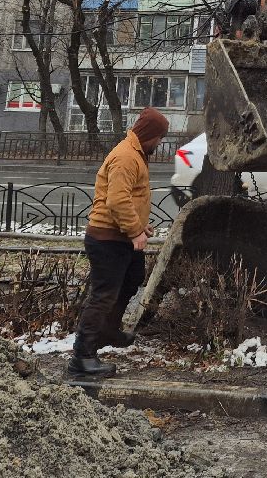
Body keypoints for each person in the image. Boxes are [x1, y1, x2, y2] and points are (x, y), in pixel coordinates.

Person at [68, 106, 169, 377]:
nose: (159, 144)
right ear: (150, 134)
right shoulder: (126, 156)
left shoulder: (136, 153)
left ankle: (108, 330)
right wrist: (135, 231)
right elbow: (116, 200)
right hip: (107, 238)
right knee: (103, 295)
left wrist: (138, 226)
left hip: (120, 235)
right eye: (159, 138)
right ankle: (82, 355)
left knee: (133, 277)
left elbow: (129, 198)